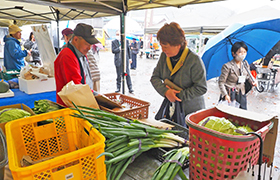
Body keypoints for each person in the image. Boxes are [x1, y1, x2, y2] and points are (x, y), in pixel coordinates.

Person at [151, 22, 207, 117]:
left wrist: (179, 95)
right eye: (161, 46)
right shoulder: (164, 56)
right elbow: (154, 78)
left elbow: (201, 88)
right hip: (172, 108)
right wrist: (166, 91)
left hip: (191, 111)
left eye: (165, 47)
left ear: (178, 45)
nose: (163, 50)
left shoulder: (194, 60)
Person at [54, 23, 100, 106]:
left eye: (91, 45)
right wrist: (96, 95)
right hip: (71, 106)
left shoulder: (80, 52)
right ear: (75, 39)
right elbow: (75, 87)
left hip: (82, 102)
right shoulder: (67, 55)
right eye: (87, 44)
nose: (89, 48)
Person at [218, 41, 256, 110]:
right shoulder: (227, 66)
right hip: (230, 95)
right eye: (240, 52)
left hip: (242, 94)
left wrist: (252, 81)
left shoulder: (245, 64)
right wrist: (225, 95)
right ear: (234, 54)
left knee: (243, 114)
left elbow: (247, 76)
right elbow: (221, 82)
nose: (243, 54)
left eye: (245, 52)